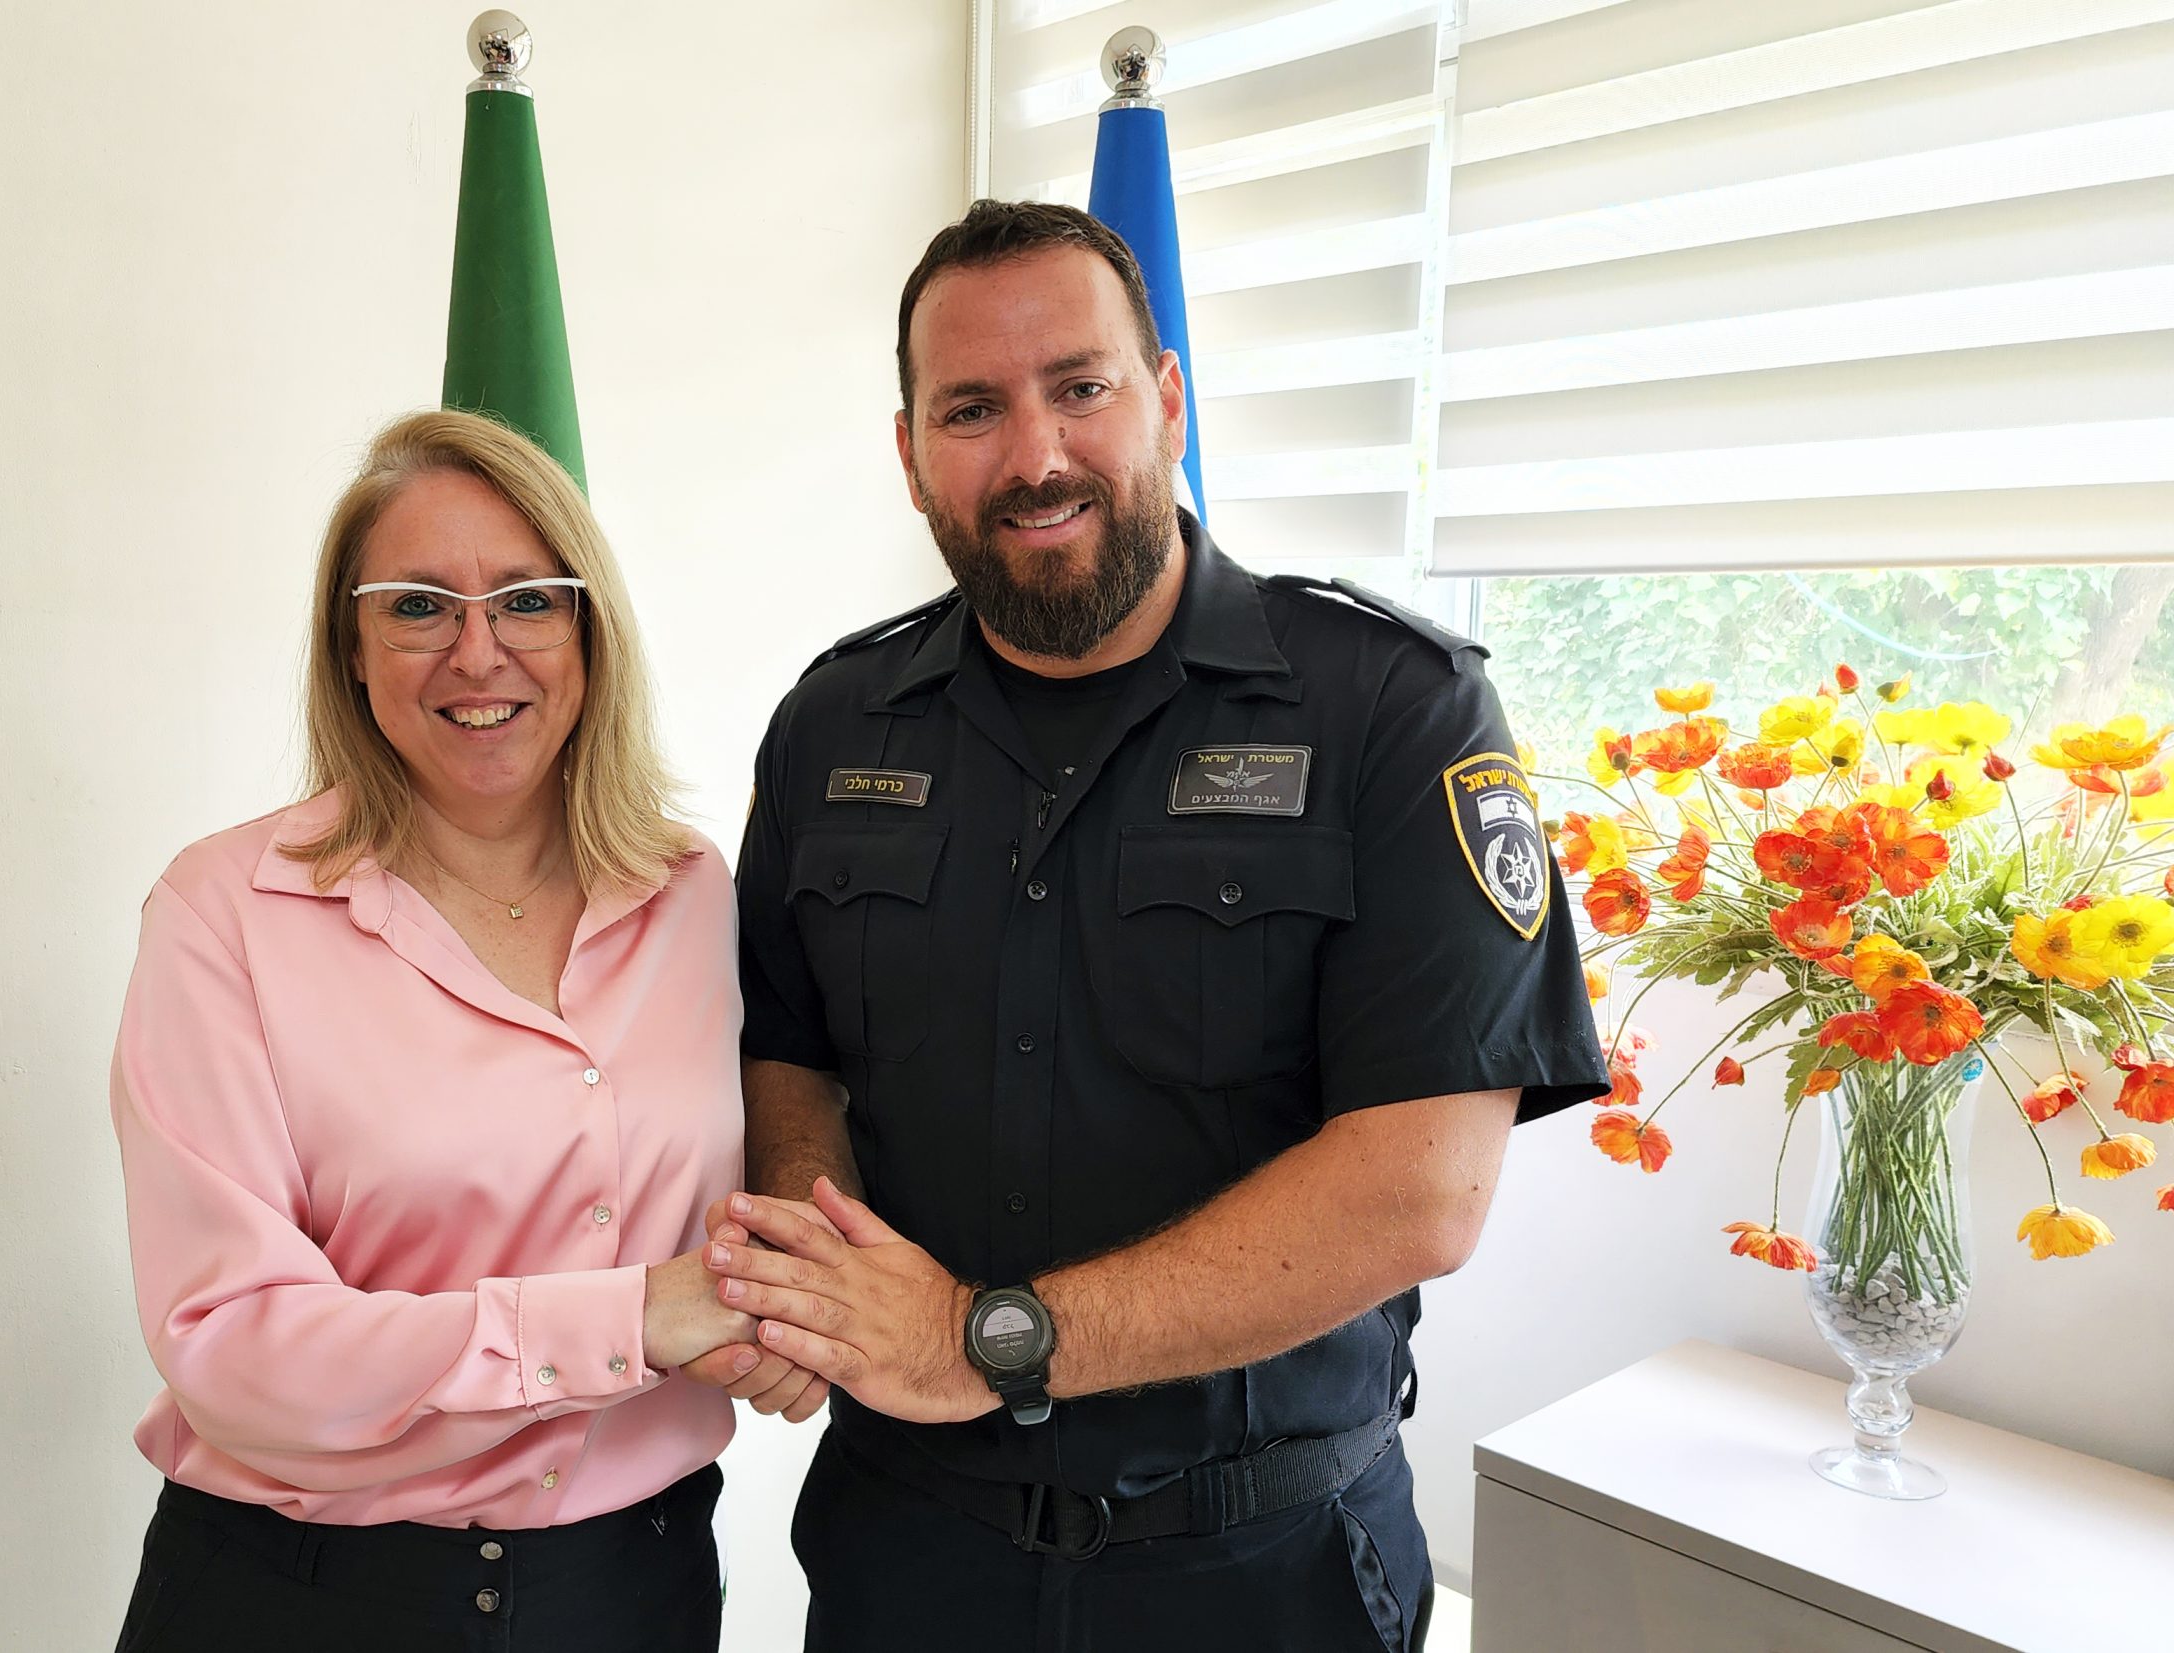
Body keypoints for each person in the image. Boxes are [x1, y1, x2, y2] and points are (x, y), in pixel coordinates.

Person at [709, 200, 1610, 1651]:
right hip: (908, 1557)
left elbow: (1420, 1191)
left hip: (1260, 1568)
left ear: (1168, 399)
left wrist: (984, 1340)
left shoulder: (1392, 707)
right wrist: (821, 1279)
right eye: (972, 410)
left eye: (1081, 386)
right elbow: (789, 1054)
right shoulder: (831, 724)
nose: (1036, 456)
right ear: (911, 453)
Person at [106, 409, 818, 1653]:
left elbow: (735, 1190)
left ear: (589, 631)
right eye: (418, 607)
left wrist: (778, 1318)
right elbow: (229, 1345)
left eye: (528, 601)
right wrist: (629, 1322)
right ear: (352, 647)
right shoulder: (223, 914)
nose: (477, 653)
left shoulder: (691, 891)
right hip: (306, 1599)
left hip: (633, 1591)